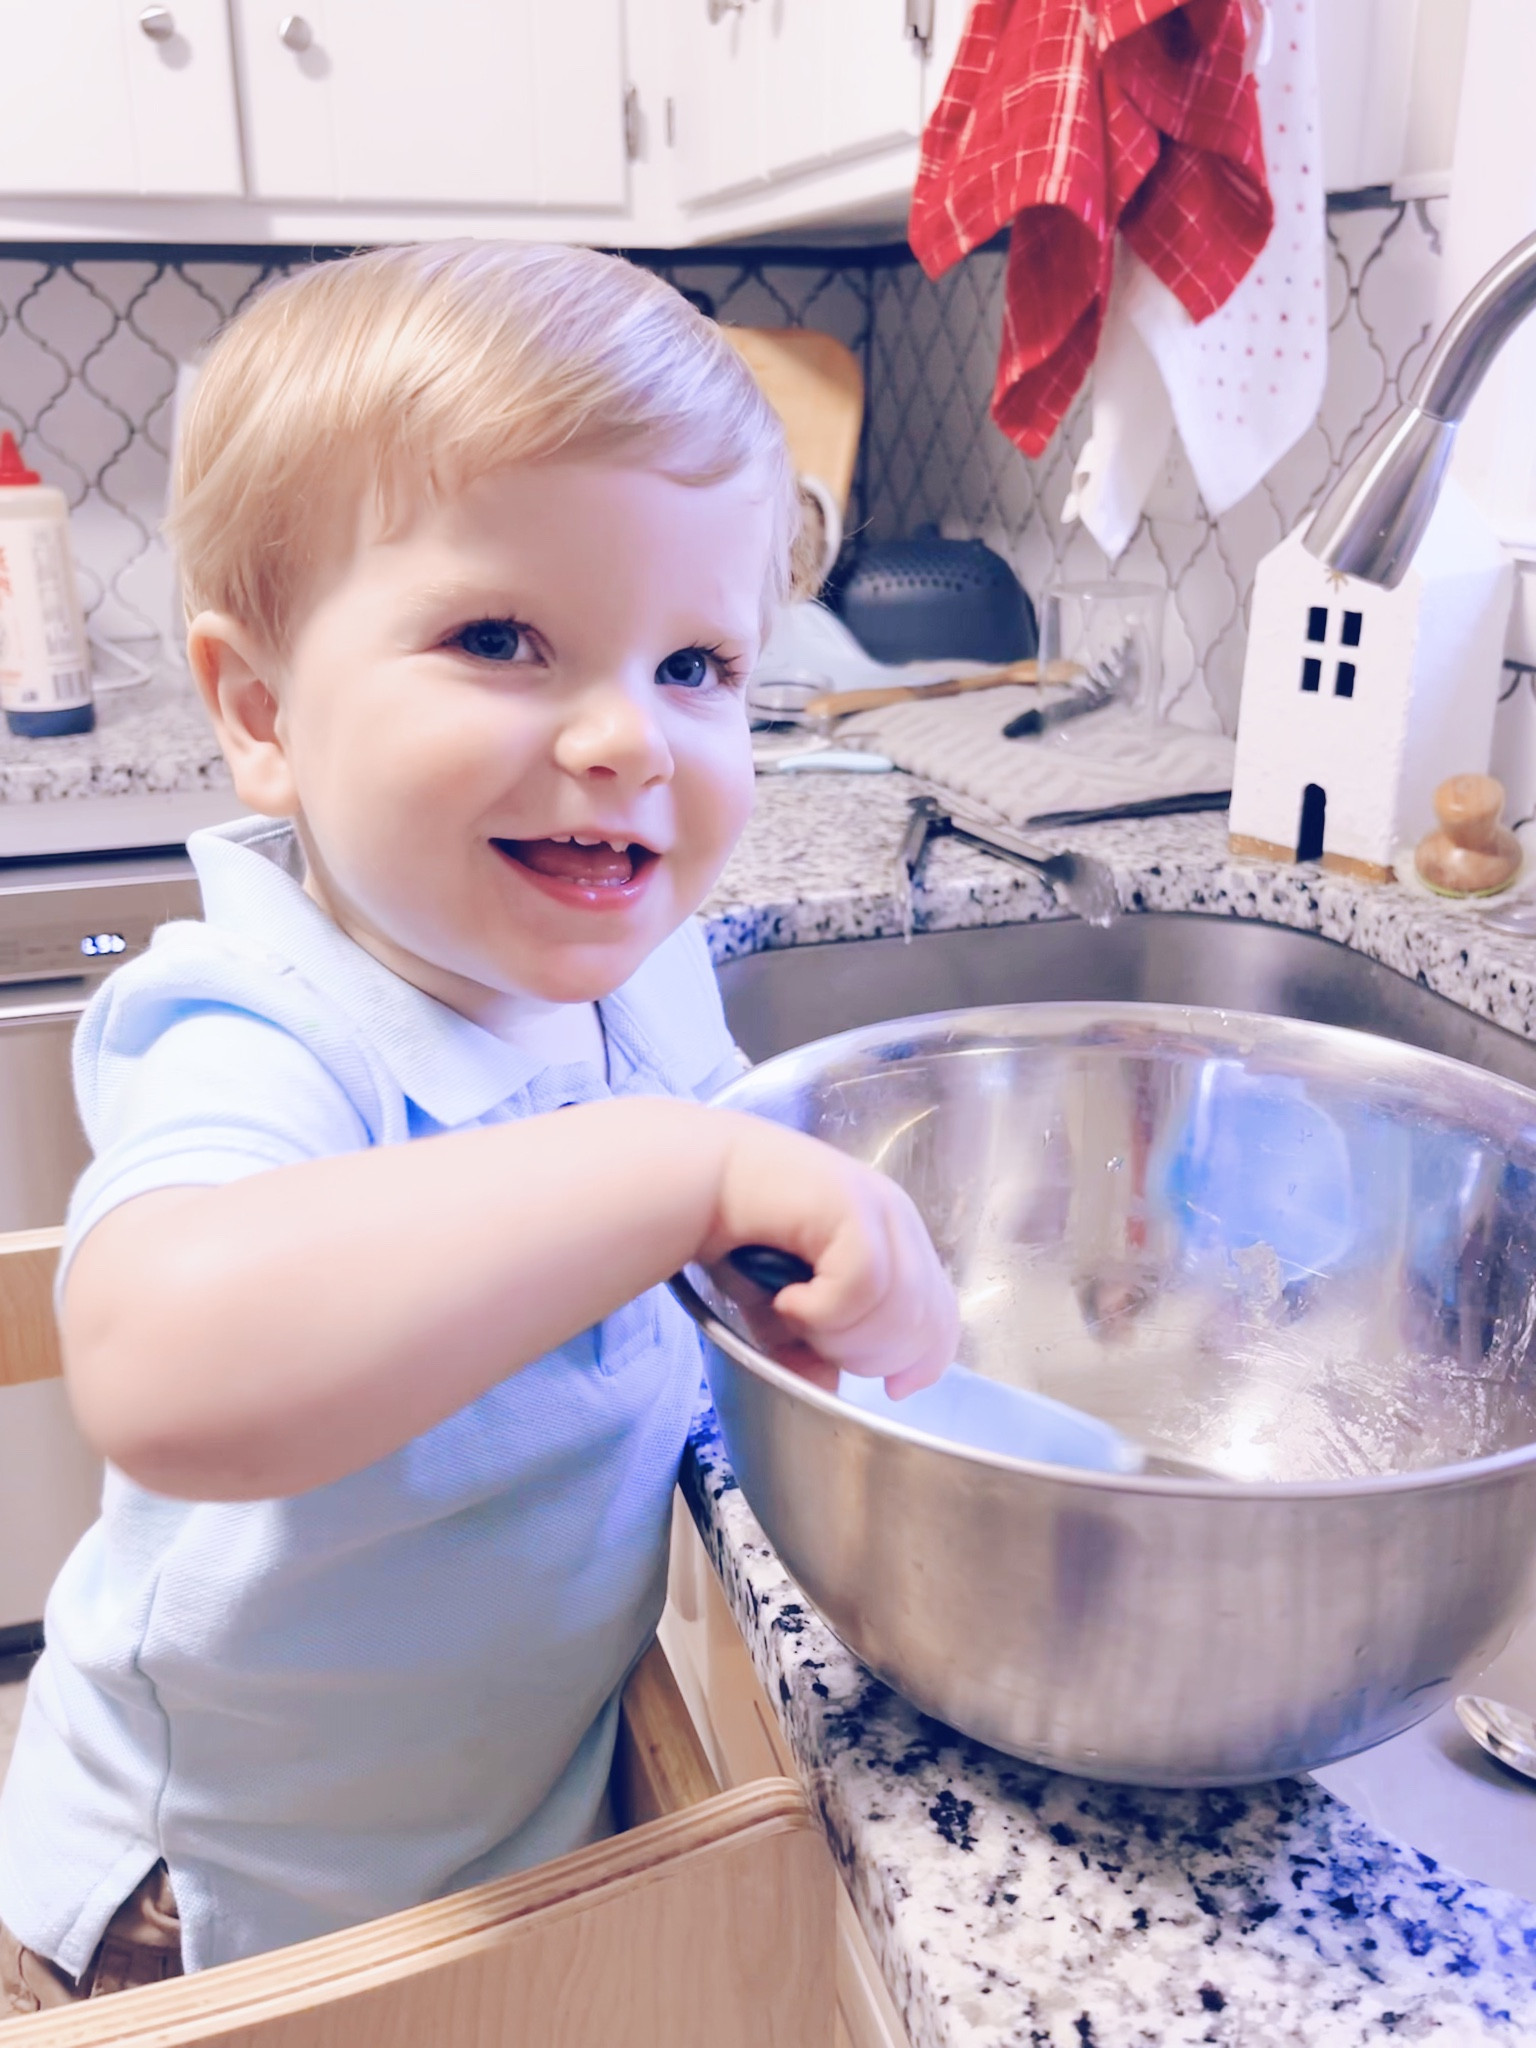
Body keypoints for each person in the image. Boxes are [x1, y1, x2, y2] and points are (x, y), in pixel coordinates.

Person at [0, 242, 958, 2010]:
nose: (626, 739)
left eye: (697, 664)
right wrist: (675, 1172)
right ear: (261, 714)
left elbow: (700, 1242)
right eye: (500, 639)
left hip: (496, 1839)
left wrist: (823, 1271)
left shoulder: (632, 978)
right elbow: (168, 1369)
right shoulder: (262, 1025)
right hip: (227, 1911)